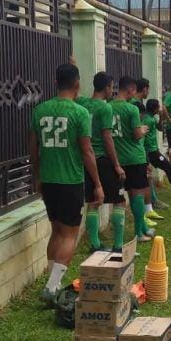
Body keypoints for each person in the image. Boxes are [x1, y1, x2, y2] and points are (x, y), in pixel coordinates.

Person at [30, 63, 102, 307]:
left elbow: (33, 150)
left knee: (56, 230)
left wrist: (37, 177)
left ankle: (53, 282)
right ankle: (51, 287)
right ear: (77, 84)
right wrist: (98, 183)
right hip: (70, 180)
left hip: (49, 180)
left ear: (56, 82)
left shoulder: (39, 110)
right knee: (70, 234)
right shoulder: (79, 113)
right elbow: (87, 151)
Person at [76, 72, 128, 252]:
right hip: (102, 159)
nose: (112, 91)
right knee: (119, 201)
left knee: (93, 201)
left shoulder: (82, 103)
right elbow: (107, 138)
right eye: (112, 87)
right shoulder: (105, 108)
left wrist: (75, 67)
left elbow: (75, 93)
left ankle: (95, 244)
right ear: (106, 87)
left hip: (86, 160)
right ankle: (118, 245)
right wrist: (116, 165)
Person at [111, 76, 157, 241]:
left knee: (131, 192)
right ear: (130, 90)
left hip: (118, 156)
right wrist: (144, 129)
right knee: (137, 194)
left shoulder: (108, 107)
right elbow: (137, 134)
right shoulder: (131, 109)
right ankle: (138, 233)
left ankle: (143, 227)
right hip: (134, 156)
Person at [130, 77, 163, 225]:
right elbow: (137, 132)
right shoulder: (134, 107)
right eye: (148, 89)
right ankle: (143, 216)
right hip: (136, 150)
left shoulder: (136, 105)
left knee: (145, 179)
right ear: (144, 89)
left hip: (139, 149)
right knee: (139, 185)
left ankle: (149, 208)